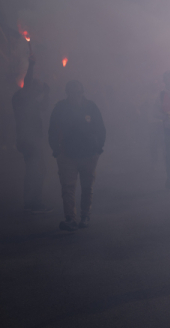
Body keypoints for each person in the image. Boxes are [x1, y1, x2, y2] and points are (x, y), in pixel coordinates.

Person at [48, 80, 106, 232]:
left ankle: (85, 216)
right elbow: (52, 129)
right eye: (73, 92)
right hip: (67, 155)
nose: (77, 95)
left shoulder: (90, 107)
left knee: (87, 187)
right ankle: (70, 219)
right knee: (68, 188)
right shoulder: (60, 108)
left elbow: (100, 128)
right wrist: (56, 150)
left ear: (83, 92)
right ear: (67, 93)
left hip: (88, 155)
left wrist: (98, 149)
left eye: (79, 92)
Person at [11, 53, 52, 214]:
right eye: (37, 88)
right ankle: (34, 201)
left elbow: (43, 108)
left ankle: (32, 200)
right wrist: (31, 65)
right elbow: (28, 84)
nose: (38, 90)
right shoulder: (22, 96)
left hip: (31, 138)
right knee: (36, 170)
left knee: (35, 170)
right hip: (28, 139)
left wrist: (46, 94)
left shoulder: (30, 100)